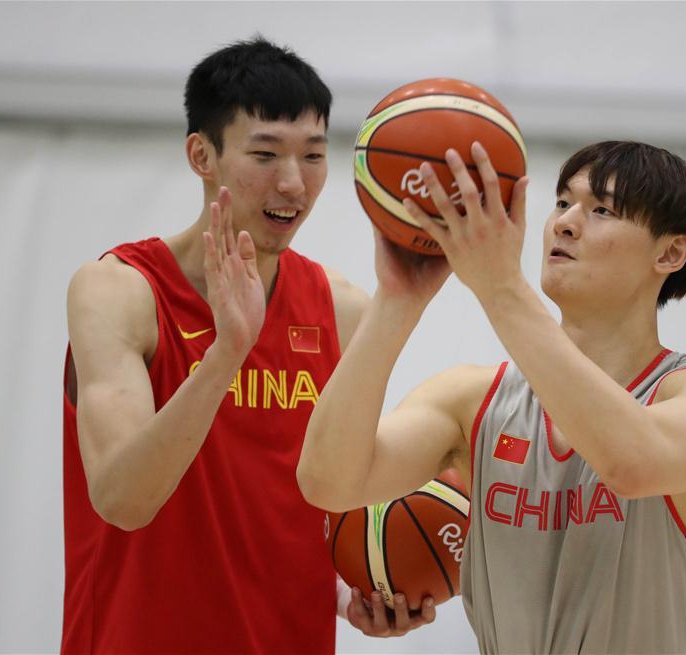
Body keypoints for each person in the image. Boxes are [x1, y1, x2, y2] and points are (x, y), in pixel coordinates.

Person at [298, 140, 686, 653]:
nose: (565, 223)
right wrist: (396, 299)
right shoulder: (471, 399)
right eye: (562, 202)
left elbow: (632, 464)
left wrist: (502, 287)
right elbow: (327, 483)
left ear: (669, 253)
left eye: (602, 210)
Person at [62, 36, 433, 654]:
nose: (293, 182)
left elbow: (330, 496)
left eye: (313, 156)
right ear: (201, 154)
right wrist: (225, 356)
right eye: (265, 154)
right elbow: (122, 500)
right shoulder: (119, 290)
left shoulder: (341, 309)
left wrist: (354, 587)